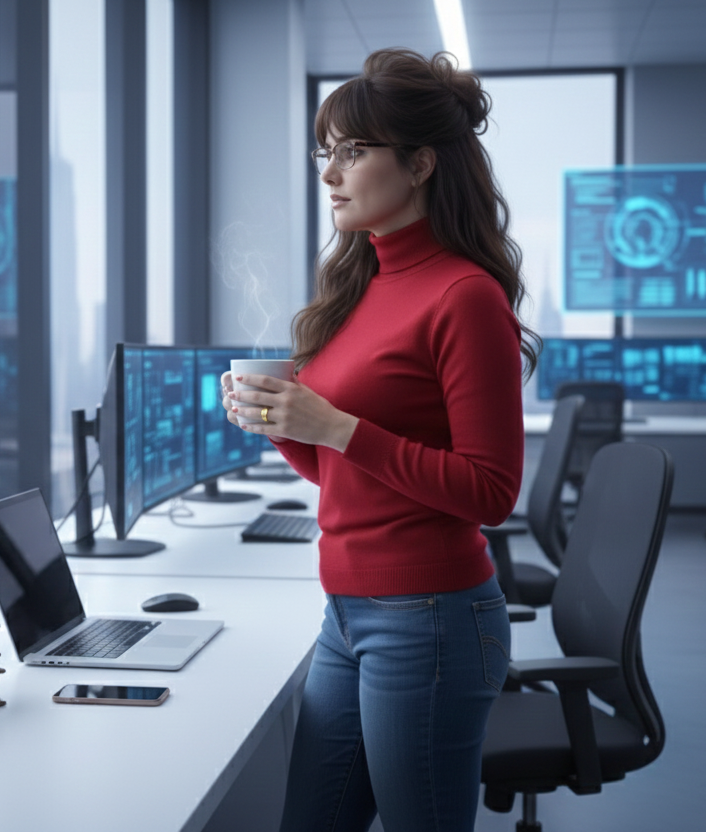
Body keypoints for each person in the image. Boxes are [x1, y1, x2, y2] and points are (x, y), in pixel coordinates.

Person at [220, 48, 539, 831]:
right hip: (347, 610)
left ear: (420, 164)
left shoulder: (465, 296)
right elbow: (346, 473)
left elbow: (491, 492)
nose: (330, 174)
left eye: (353, 152)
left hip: (428, 618)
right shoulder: (359, 288)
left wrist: (335, 425)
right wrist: (280, 422)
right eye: (326, 154)